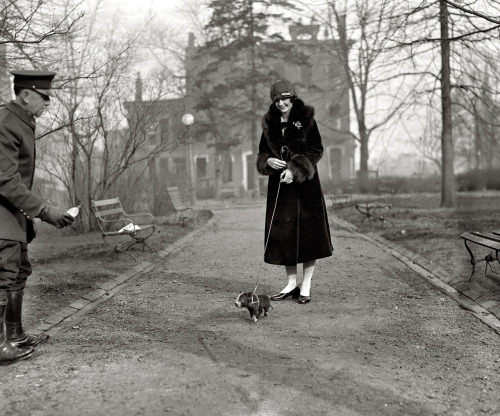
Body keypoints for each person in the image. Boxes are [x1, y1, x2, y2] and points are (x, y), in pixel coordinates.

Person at [0, 70, 74, 365]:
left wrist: (39, 208)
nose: (48, 104)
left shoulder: (21, 121)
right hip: (2, 216)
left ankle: (15, 336)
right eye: (44, 97)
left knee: (18, 271)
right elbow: (5, 180)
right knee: (4, 277)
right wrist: (44, 211)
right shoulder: (6, 122)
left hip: (13, 215)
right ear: (26, 94)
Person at [256, 79, 333, 305]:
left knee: (309, 237)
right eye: (277, 100)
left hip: (306, 188)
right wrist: (267, 160)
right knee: (285, 236)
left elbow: (316, 150)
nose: (281, 104)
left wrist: (294, 168)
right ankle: (291, 284)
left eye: (285, 99)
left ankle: (306, 285)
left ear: (293, 98)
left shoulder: (307, 120)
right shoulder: (269, 123)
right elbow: (262, 153)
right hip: (280, 188)